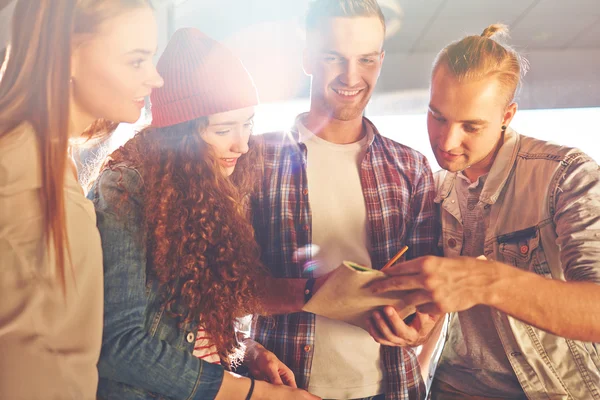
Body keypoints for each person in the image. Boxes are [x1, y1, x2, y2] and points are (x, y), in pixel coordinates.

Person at [369, 24, 600, 399]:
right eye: (437, 116)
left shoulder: (567, 175)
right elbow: (445, 316)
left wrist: (487, 280)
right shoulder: (435, 188)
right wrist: (419, 329)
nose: (446, 142)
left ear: (507, 115)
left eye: (471, 126)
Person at [89, 27, 319, 400]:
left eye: (248, 124)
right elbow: (122, 345)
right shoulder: (127, 188)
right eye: (224, 128)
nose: (242, 144)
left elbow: (196, 329)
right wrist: (253, 393)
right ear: (180, 134)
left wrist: (248, 352)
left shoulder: (214, 185)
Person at [249, 1, 439, 399]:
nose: (352, 76)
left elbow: (427, 292)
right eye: (334, 57)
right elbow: (220, 286)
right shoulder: (254, 160)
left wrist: (420, 324)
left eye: (366, 60)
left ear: (381, 61)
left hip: (390, 388)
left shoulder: (412, 167)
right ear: (307, 59)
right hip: (286, 387)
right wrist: (313, 293)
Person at [0, 0, 163, 398]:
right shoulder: (15, 174)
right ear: (70, 55)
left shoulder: (52, 160)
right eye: (136, 61)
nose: (155, 78)